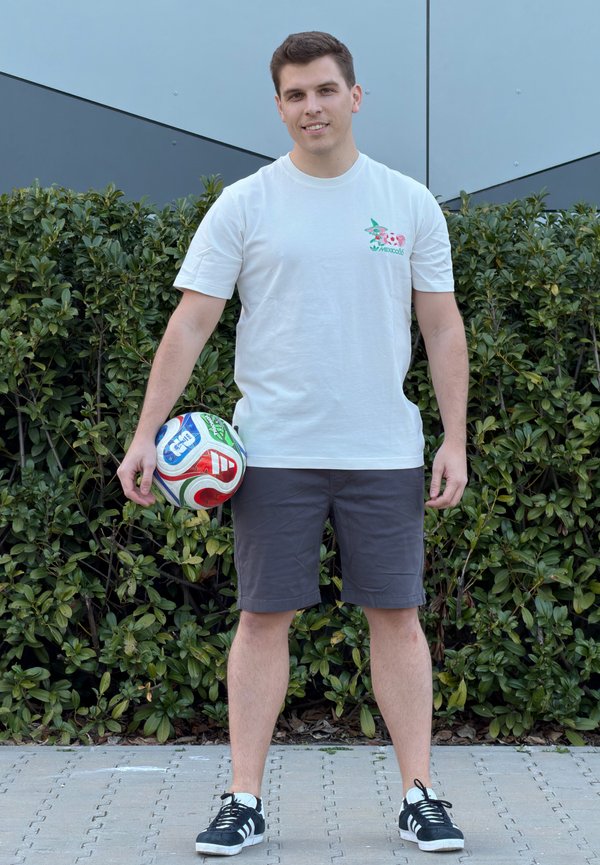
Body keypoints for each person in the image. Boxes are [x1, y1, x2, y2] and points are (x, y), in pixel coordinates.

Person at [117, 31, 469, 856]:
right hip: (269, 452)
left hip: (384, 449)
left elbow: (442, 325)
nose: (310, 106)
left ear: (354, 96)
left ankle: (420, 793)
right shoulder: (246, 204)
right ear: (279, 107)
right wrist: (143, 433)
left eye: (323, 89)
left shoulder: (407, 202)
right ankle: (244, 799)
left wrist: (455, 436)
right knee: (262, 618)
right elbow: (192, 322)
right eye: (294, 94)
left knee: (399, 618)